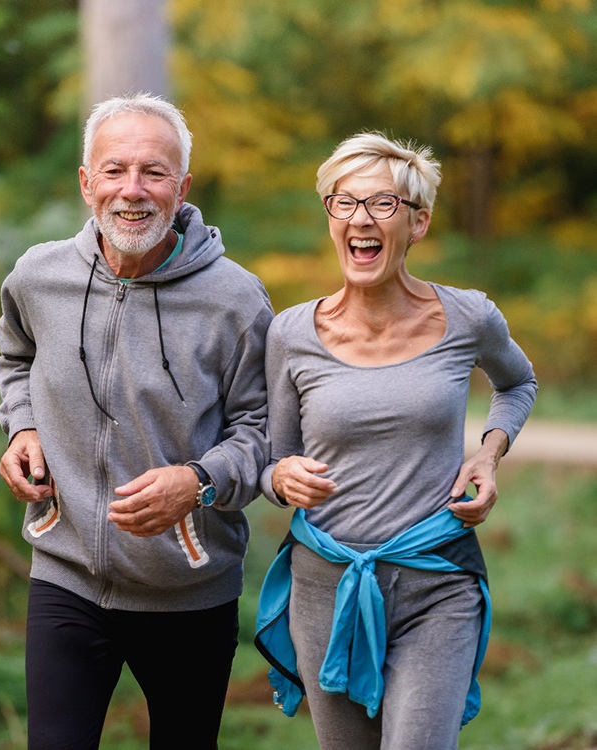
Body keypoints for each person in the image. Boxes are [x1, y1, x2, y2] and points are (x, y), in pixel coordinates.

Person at [0, 93, 273, 750]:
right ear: (87, 182)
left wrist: (198, 480)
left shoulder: (235, 299)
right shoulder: (39, 277)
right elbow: (15, 354)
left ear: (182, 186)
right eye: (115, 170)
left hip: (189, 589)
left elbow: (264, 435)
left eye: (153, 172)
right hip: (64, 575)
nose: (133, 190)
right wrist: (22, 427)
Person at [254, 131, 537, 750]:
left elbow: (517, 384)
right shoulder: (290, 334)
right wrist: (280, 478)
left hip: (437, 581)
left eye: (383, 204)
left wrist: (487, 456)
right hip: (325, 588)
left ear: (419, 223)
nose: (361, 219)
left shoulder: (469, 318)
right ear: (330, 217)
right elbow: (273, 460)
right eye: (344, 203)